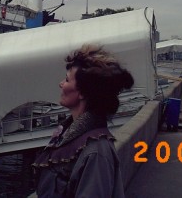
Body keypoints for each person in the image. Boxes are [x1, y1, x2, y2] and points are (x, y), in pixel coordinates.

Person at [32, 44, 134, 197]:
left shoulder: (96, 152)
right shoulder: (69, 134)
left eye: (67, 80)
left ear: (83, 92)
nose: (61, 84)